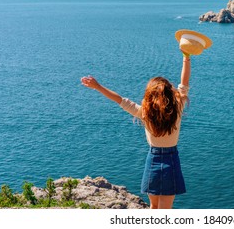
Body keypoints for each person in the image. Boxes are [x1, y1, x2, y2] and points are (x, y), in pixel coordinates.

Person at [80, 51, 191, 209]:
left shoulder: (145, 113)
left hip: (153, 159)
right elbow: (184, 84)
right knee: (166, 209)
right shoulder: (177, 109)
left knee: (153, 206)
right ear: (169, 96)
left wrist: (97, 86)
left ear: (149, 96)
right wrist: (186, 56)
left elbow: (119, 100)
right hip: (171, 160)